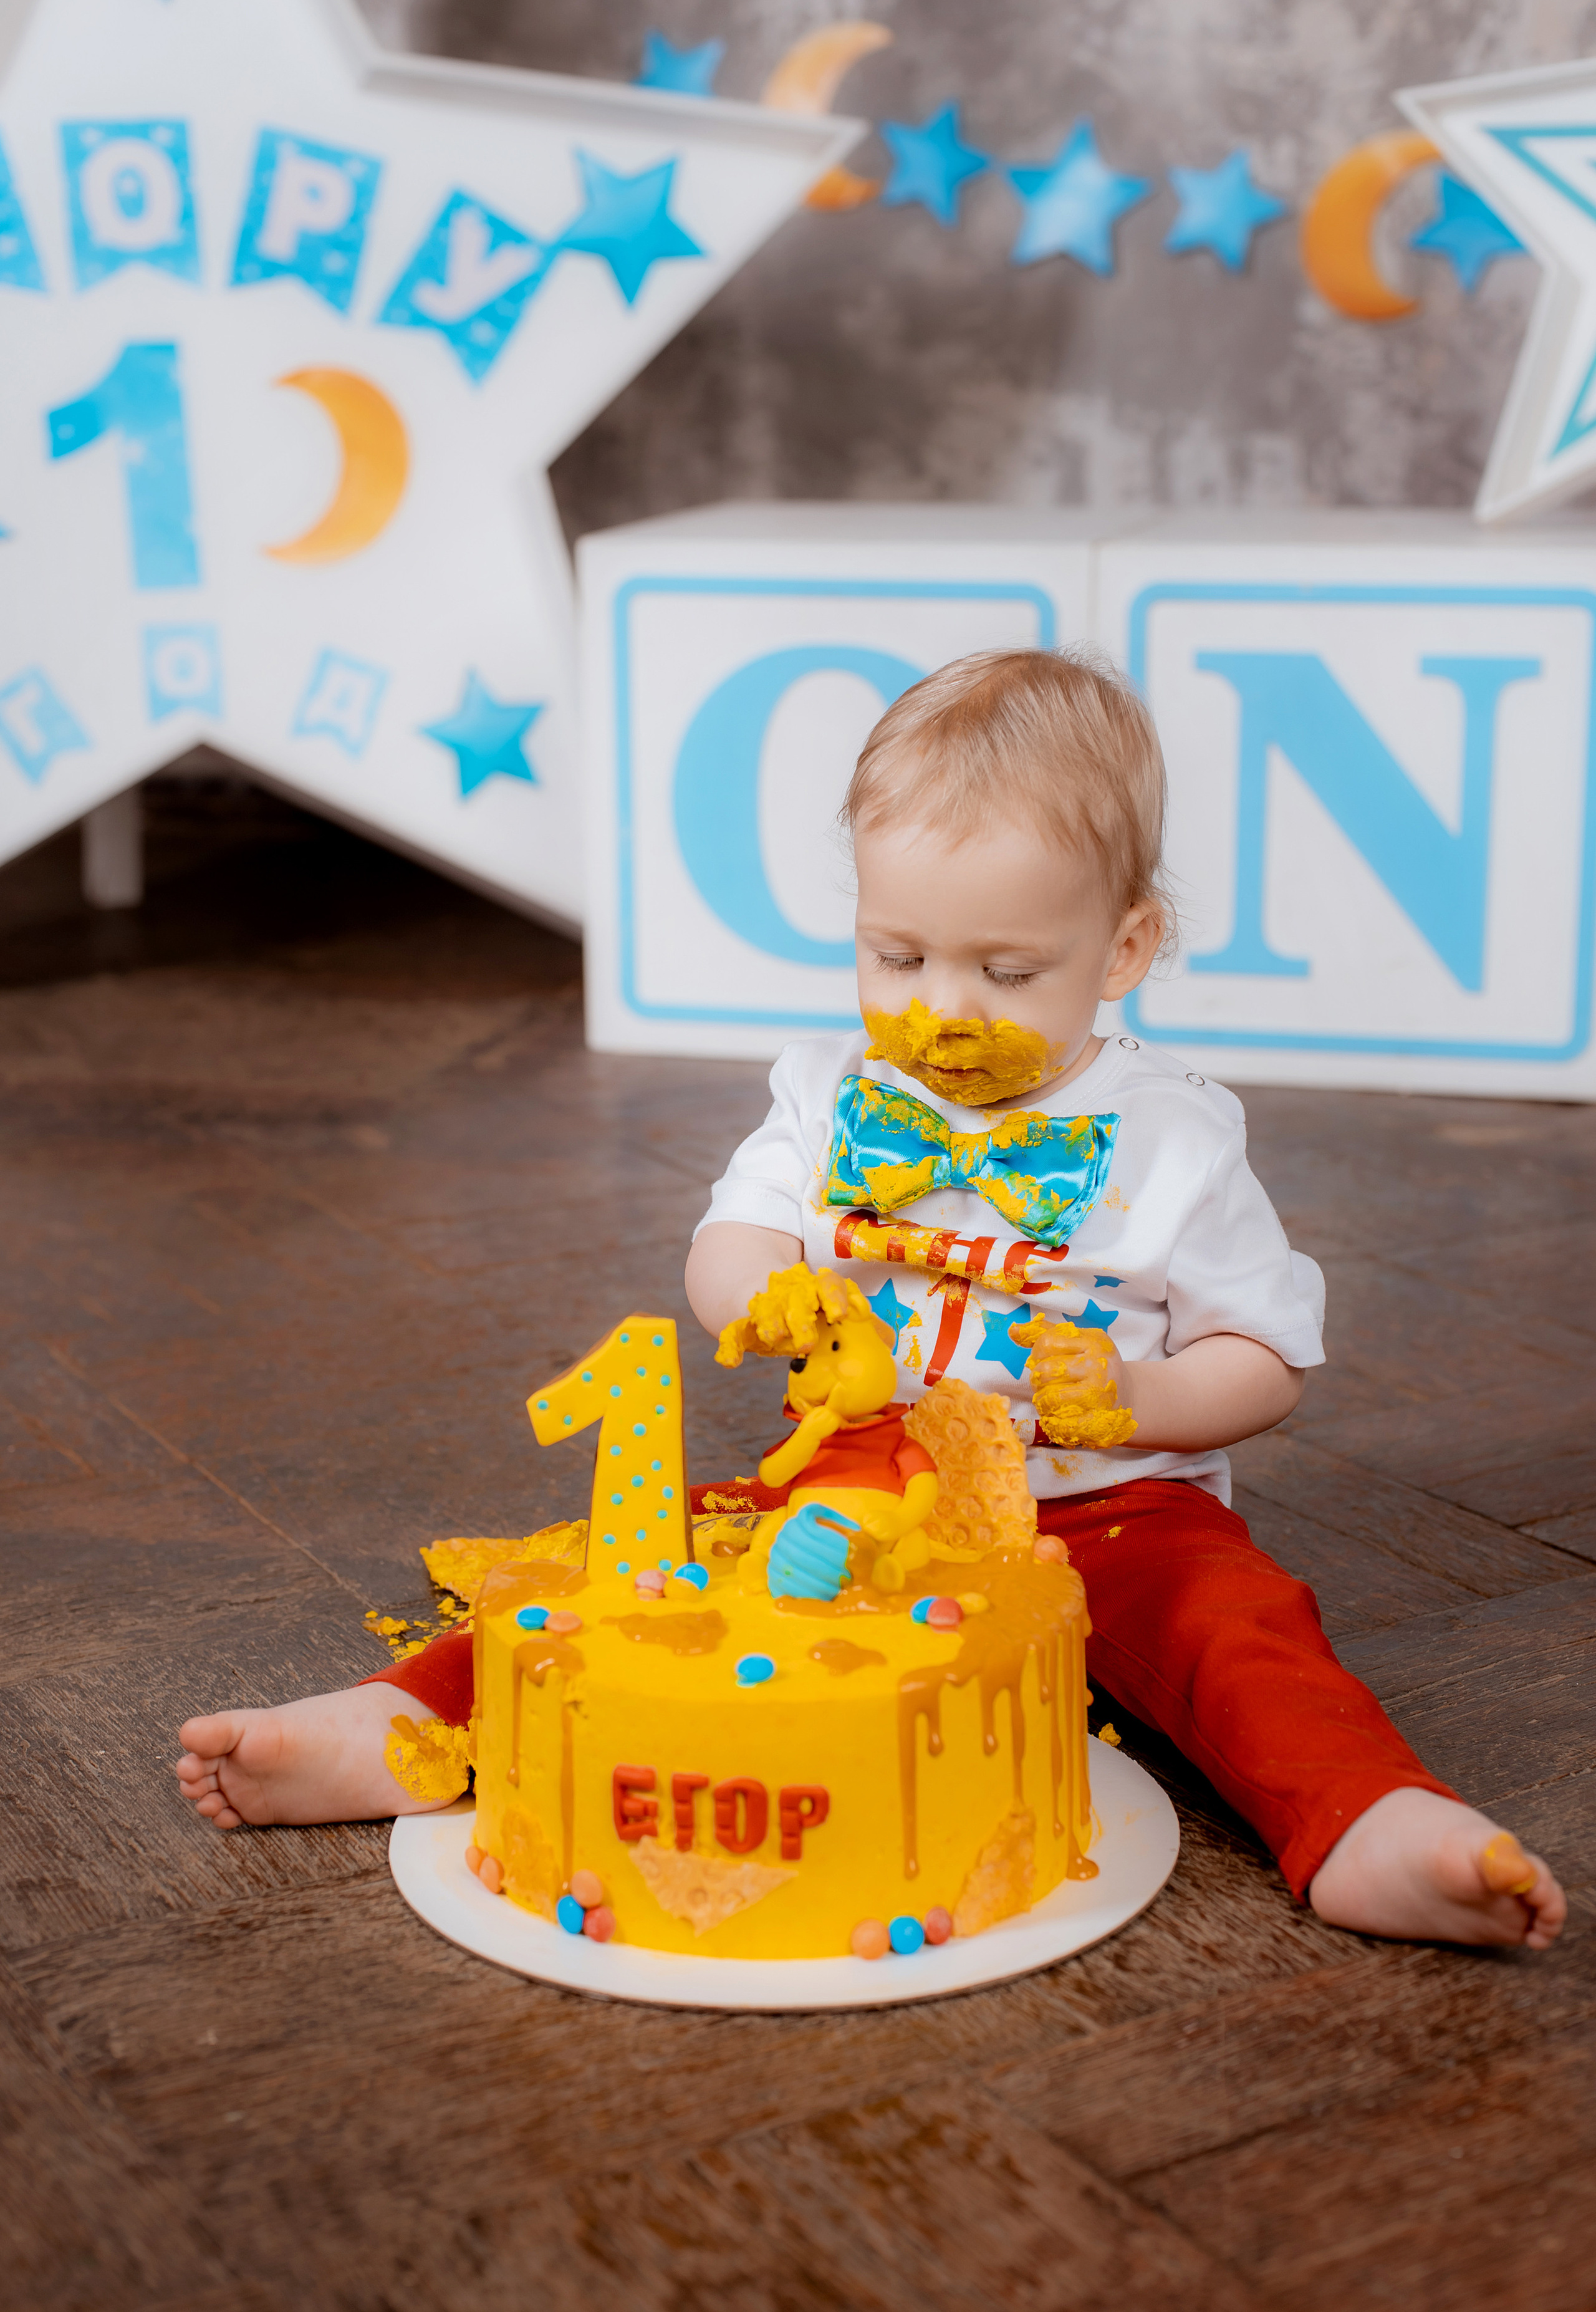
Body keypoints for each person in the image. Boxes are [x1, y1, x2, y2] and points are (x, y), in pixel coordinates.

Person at [176, 647, 1565, 1953]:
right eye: (897, 958)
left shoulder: (1178, 1140)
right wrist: (761, 1292)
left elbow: (1265, 1354)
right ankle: (394, 1728)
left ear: (1125, 947)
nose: (941, 1010)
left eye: (1006, 974)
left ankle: (1369, 1821)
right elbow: (730, 1236)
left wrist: (1143, 1396)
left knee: (1239, 1635)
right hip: (850, 1493)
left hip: (1109, 1508)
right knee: (623, 1583)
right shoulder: (831, 1092)